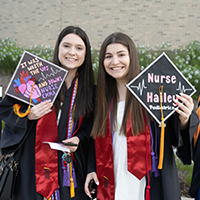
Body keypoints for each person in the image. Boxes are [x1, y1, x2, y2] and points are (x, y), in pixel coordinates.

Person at [84, 32, 199, 200]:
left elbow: (173, 135)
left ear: (132, 57)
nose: (115, 61)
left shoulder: (153, 91)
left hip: (149, 180)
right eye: (108, 56)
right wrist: (91, 168)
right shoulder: (99, 96)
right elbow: (92, 137)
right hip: (112, 176)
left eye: (121, 54)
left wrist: (184, 119)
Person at [0, 26, 95, 200]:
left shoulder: (89, 90)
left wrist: (79, 138)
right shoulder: (34, 77)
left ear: (86, 53)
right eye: (66, 46)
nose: (72, 52)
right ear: (58, 47)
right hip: (33, 166)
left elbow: (91, 127)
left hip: (70, 170)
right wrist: (27, 115)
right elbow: (5, 109)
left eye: (79, 48)